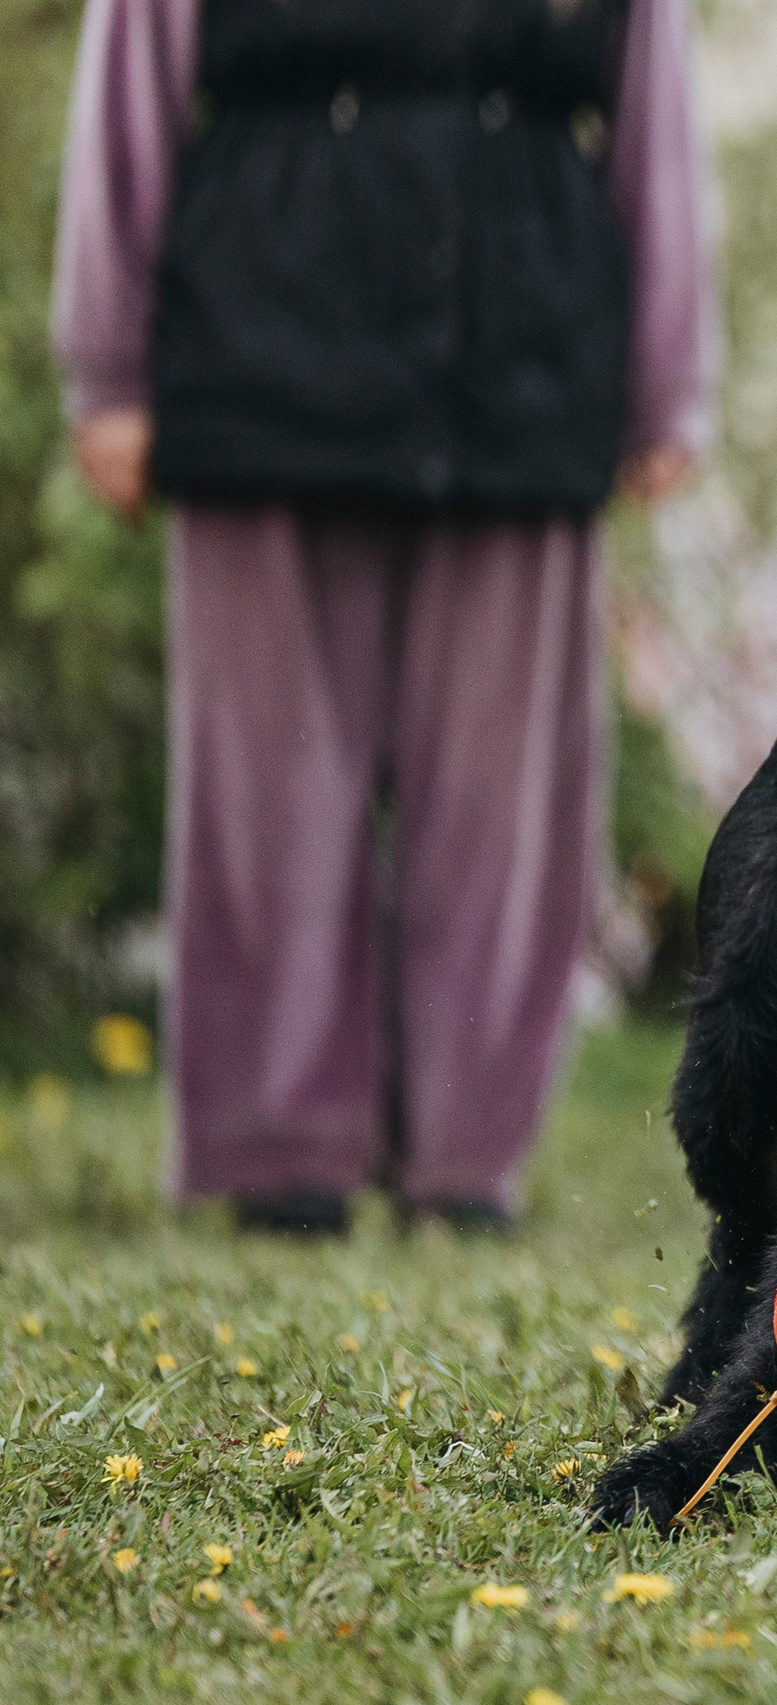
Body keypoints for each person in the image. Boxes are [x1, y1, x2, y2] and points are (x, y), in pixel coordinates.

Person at [51, 0, 717, 1230]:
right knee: (267, 786)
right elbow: (133, 79)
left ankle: (464, 1159)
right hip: (260, 337)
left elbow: (653, 104)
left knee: (500, 797)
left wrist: (666, 375)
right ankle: (283, 1151)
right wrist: (108, 368)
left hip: (526, 345)